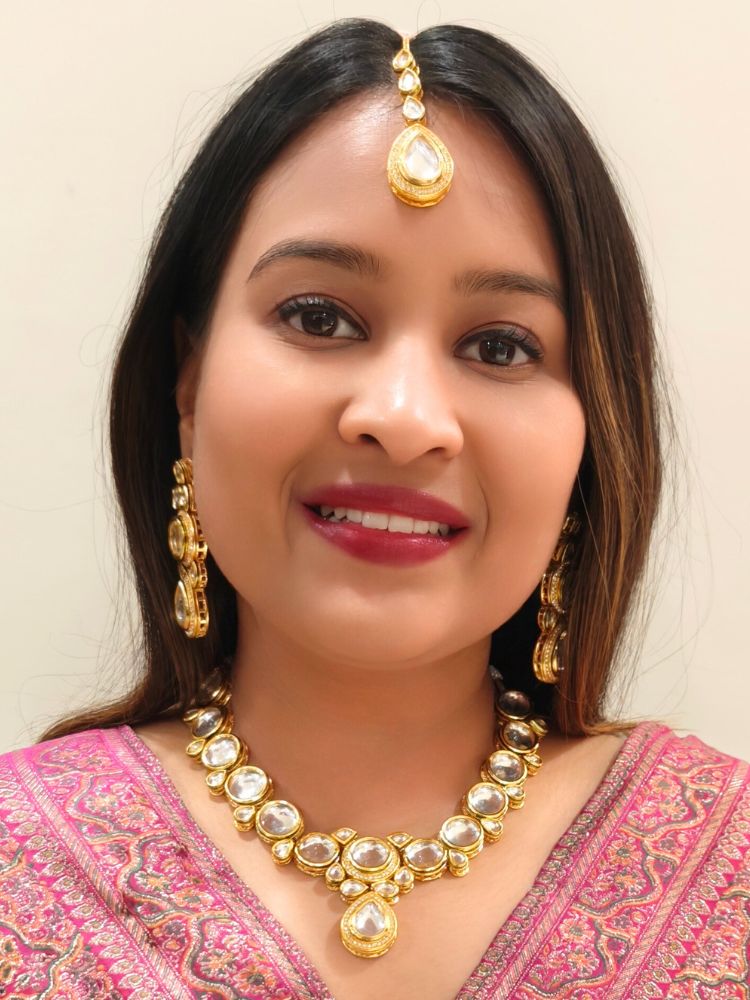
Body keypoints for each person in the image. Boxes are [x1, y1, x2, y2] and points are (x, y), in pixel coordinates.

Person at [1, 17, 747, 999]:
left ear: (593, 435)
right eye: (319, 317)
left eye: (501, 346)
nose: (404, 421)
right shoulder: (28, 870)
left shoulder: (719, 862)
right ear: (187, 380)